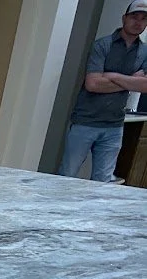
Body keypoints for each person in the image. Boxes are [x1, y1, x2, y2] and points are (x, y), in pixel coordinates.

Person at [58, 1, 147, 182]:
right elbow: (92, 84)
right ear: (124, 18)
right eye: (134, 17)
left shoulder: (145, 52)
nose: (138, 22)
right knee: (67, 175)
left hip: (114, 125)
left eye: (144, 19)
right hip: (85, 121)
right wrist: (131, 80)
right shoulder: (103, 45)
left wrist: (112, 75)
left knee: (103, 181)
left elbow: (144, 87)